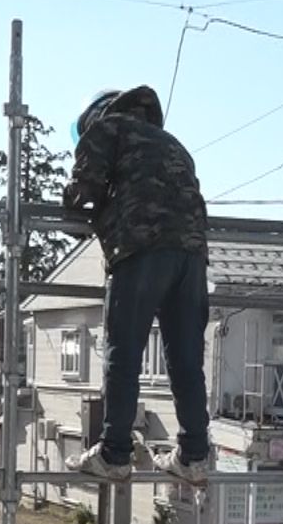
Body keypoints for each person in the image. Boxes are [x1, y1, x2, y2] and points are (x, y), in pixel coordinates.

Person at [61, 86, 211, 486]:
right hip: (192, 256)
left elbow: (84, 190)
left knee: (123, 352)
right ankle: (195, 456)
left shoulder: (108, 128)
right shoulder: (175, 145)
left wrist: (73, 204)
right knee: (186, 359)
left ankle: (115, 453)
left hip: (142, 246)